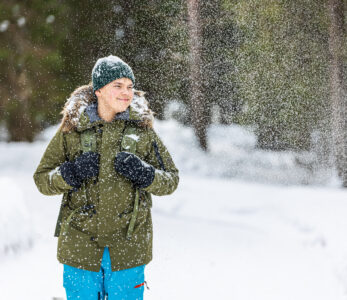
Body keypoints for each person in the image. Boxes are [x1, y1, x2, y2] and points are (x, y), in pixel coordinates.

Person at [33, 55, 179, 300]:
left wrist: (145, 174)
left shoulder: (143, 132)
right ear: (99, 90)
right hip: (80, 245)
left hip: (128, 248)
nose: (126, 93)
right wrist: (72, 173)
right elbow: (42, 179)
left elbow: (171, 179)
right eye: (118, 86)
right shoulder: (72, 130)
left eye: (130, 86)